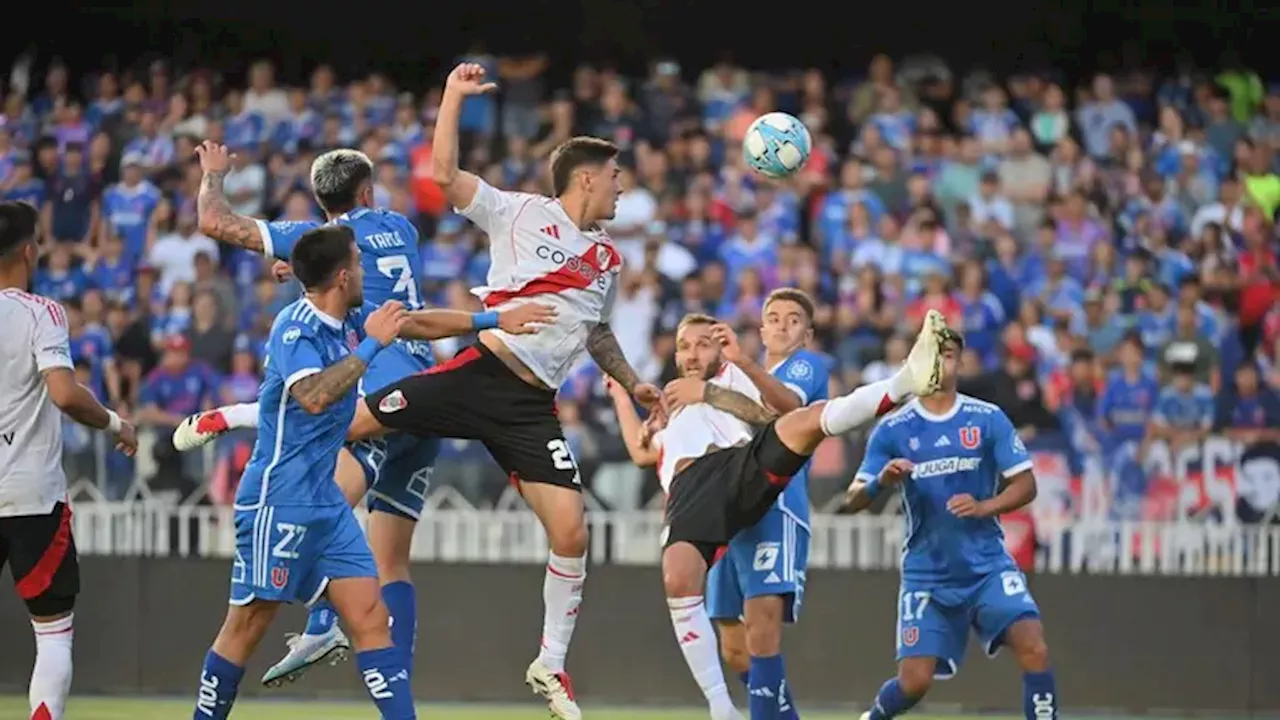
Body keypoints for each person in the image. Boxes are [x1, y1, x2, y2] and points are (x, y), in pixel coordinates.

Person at [174, 137, 550, 688]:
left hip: (376, 390)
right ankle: (393, 675)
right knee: (391, 560)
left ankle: (323, 616)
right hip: (422, 393)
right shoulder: (401, 227)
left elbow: (215, 222)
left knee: (319, 494)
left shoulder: (328, 241)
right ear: (369, 190)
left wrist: (213, 175)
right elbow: (368, 281)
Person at [603, 309, 949, 720]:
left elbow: (771, 416)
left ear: (722, 346)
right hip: (693, 489)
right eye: (684, 346)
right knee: (680, 581)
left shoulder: (735, 376)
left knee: (805, 421)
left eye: (702, 343)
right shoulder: (672, 405)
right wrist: (621, 397)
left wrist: (711, 391)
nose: (693, 354)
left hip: (741, 467)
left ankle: (906, 380)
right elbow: (642, 452)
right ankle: (722, 709)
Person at [842, 330, 1059, 720]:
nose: (942, 363)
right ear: (918, 361)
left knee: (1033, 645)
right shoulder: (893, 429)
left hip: (987, 566)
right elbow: (853, 498)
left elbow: (1025, 484)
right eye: (934, 355)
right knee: (914, 682)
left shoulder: (987, 418)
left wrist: (985, 506)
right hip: (928, 574)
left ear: (961, 363)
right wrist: (882, 482)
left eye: (950, 355)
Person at [0, 200, 137, 720]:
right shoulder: (43, 313)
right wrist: (115, 423)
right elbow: (64, 393)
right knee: (52, 631)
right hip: (32, 493)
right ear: (30, 250)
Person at [703, 289, 830, 720]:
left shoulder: (806, 366)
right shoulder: (739, 376)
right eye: (773, 317)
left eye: (793, 319)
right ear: (761, 328)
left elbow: (787, 407)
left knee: (762, 631)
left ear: (807, 334)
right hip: (730, 511)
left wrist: (741, 361)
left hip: (778, 507)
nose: (781, 324)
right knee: (733, 645)